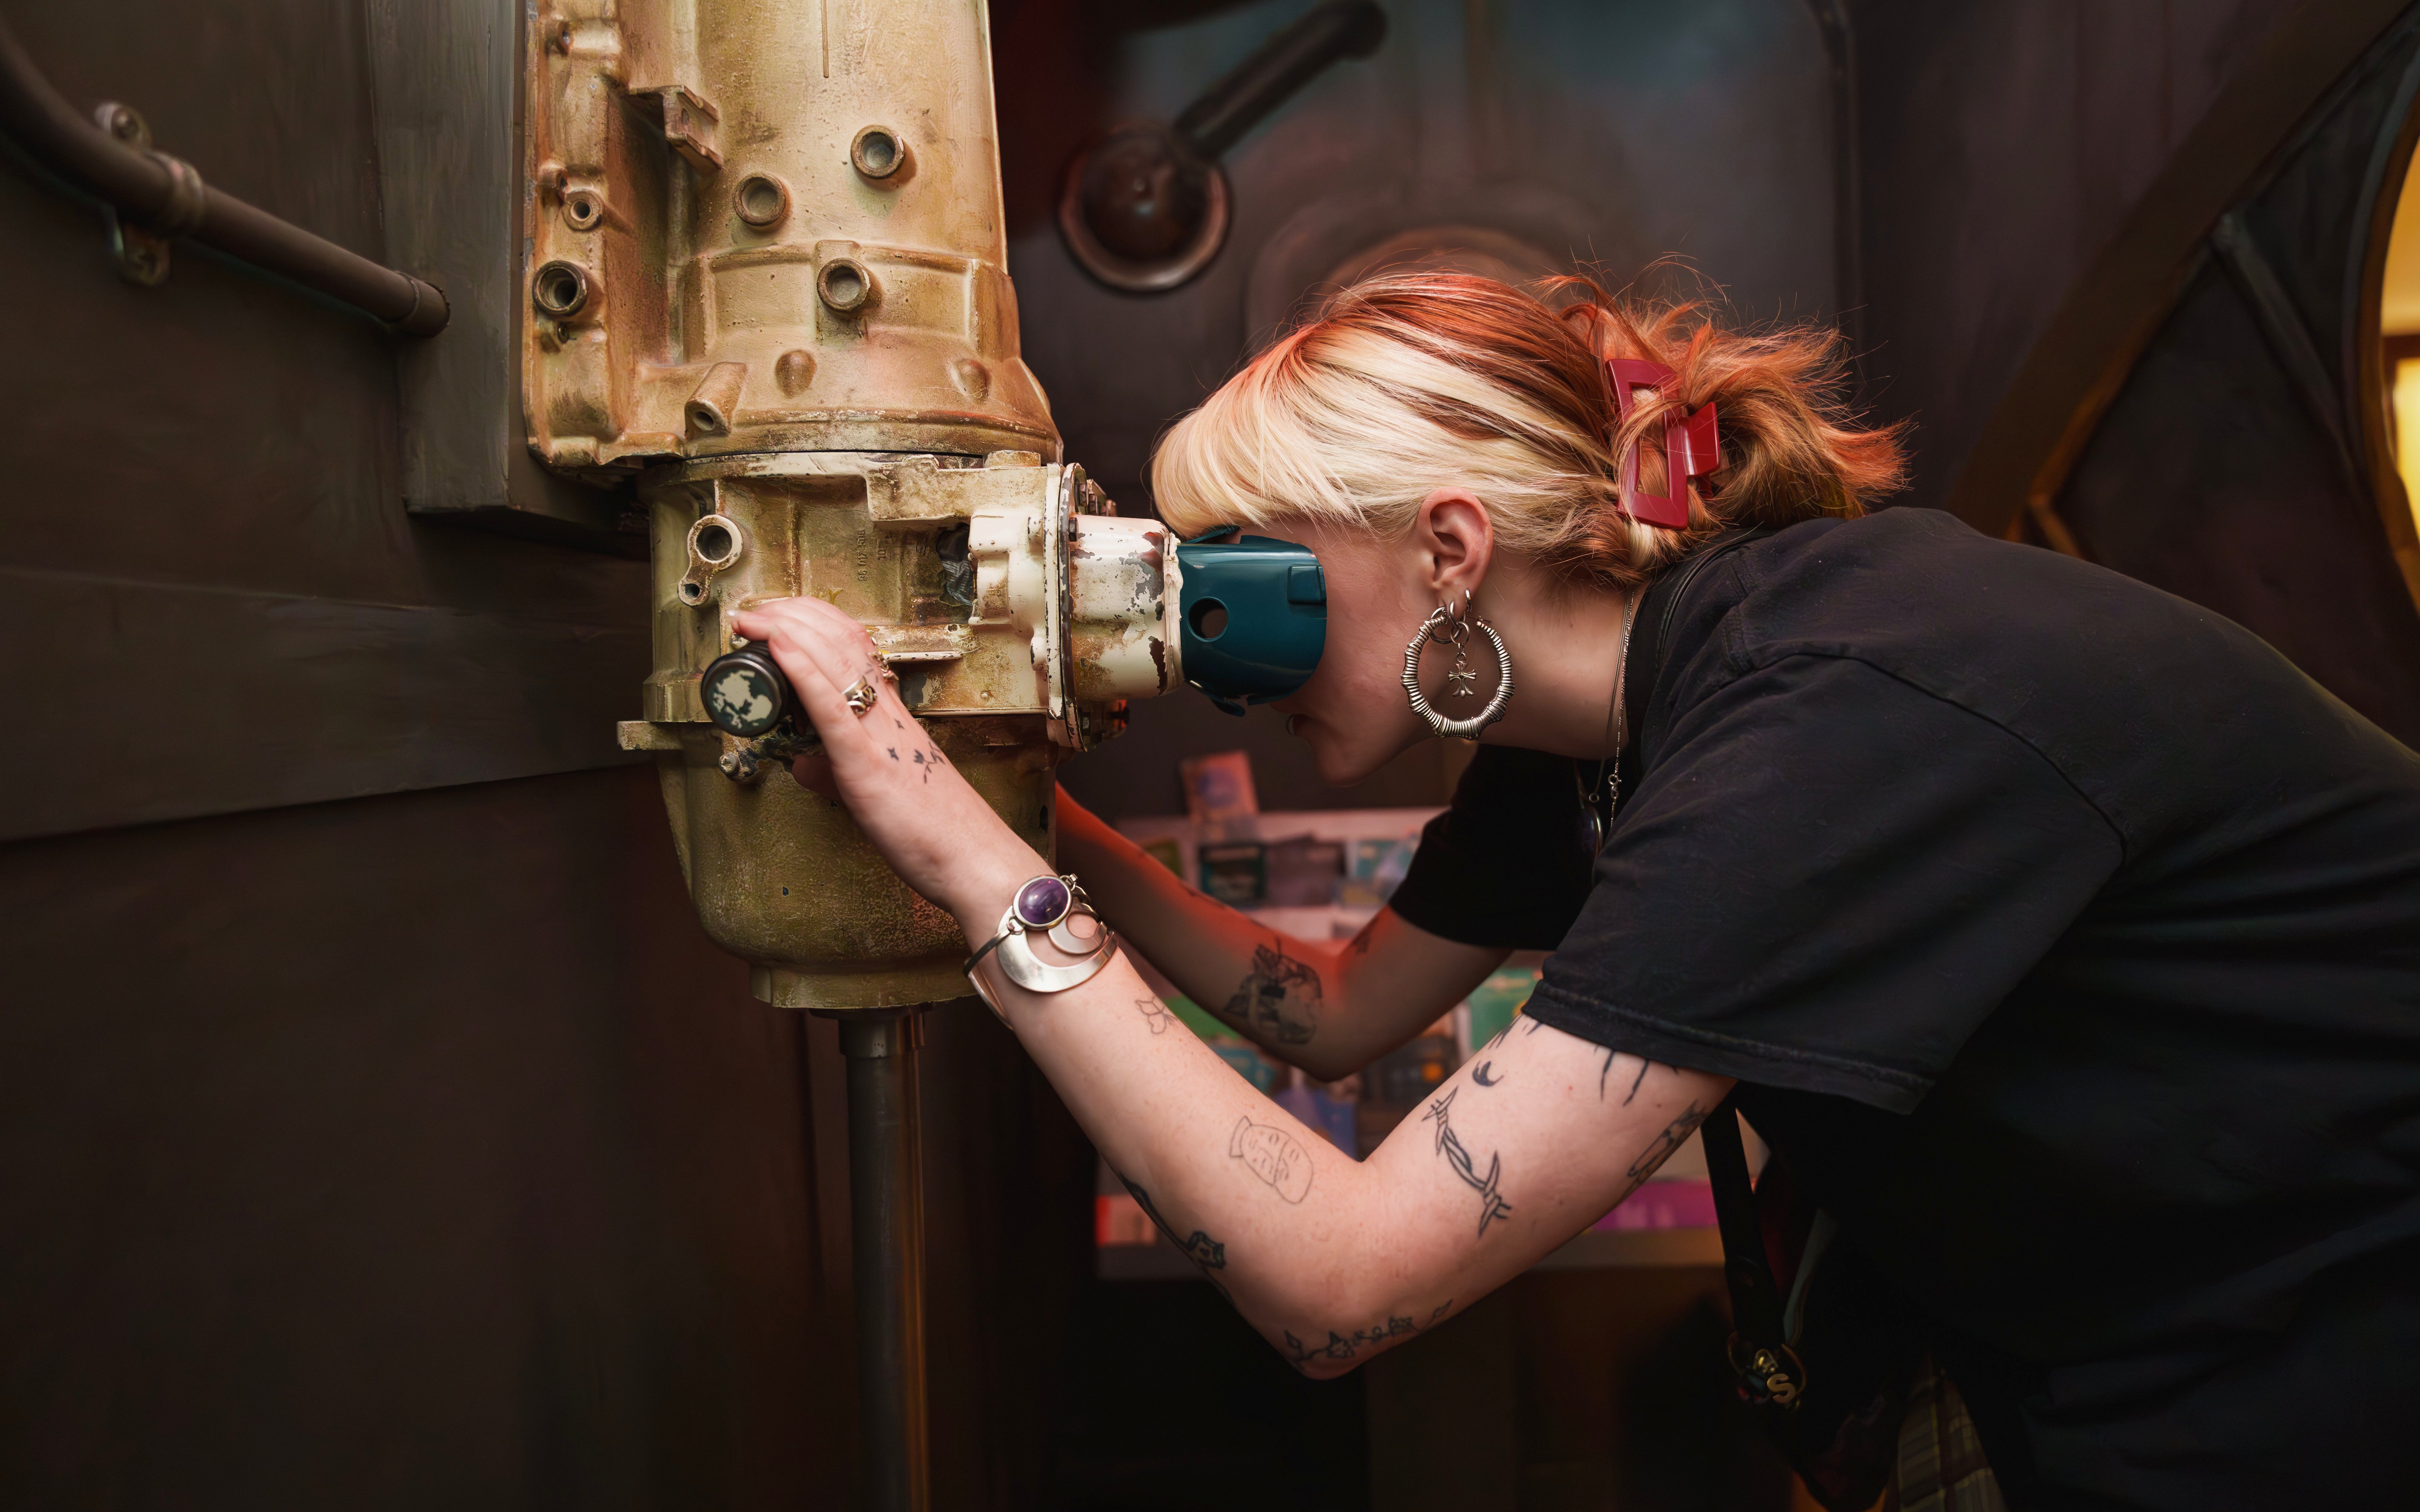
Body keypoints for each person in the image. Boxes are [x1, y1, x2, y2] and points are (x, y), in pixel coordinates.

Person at [732, 272, 2420, 1510]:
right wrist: (1024, 829)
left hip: (2321, 1352)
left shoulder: (1830, 712)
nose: (1207, 635)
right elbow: (1328, 1014)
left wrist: (962, 865)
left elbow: (1343, 1284)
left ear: (1450, 552)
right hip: (2121, 1349)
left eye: (1252, 570)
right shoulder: (1601, 738)